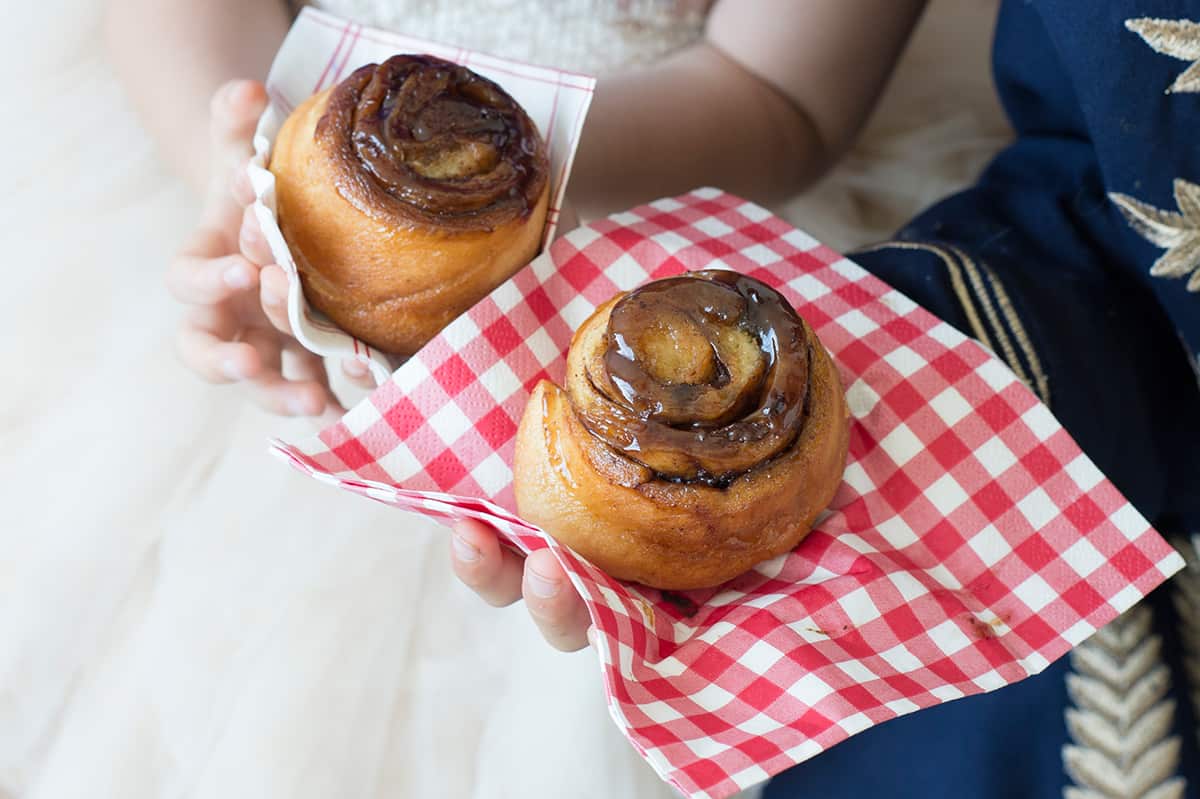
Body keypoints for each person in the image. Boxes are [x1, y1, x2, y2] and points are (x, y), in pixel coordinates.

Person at [108, 0, 1200, 796]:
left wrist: (504, 183)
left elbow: (778, 97)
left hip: (679, 236)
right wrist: (261, 195)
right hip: (249, 241)